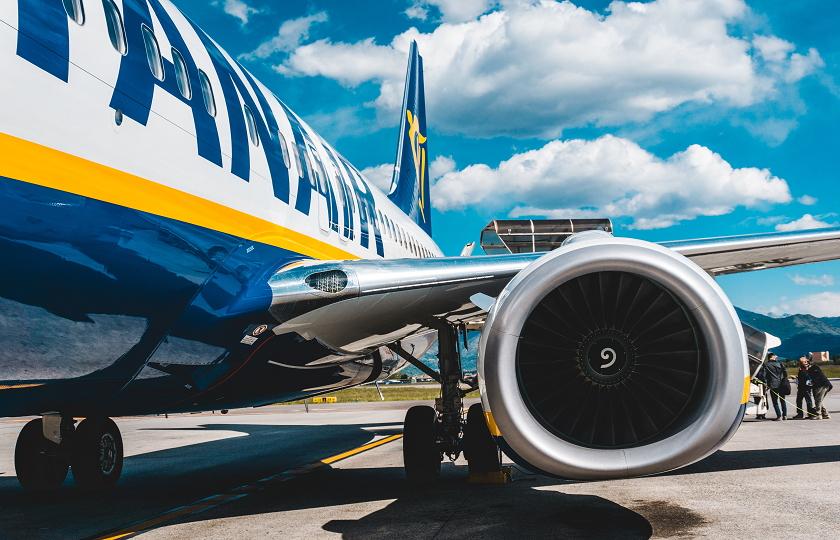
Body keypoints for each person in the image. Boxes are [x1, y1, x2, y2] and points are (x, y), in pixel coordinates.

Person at [757, 353, 788, 420]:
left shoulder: (767, 365)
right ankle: (785, 415)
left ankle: (779, 415)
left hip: (773, 385)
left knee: (775, 401)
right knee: (783, 400)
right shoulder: (780, 364)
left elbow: (763, 376)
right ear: (774, 357)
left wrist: (766, 381)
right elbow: (785, 373)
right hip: (781, 384)